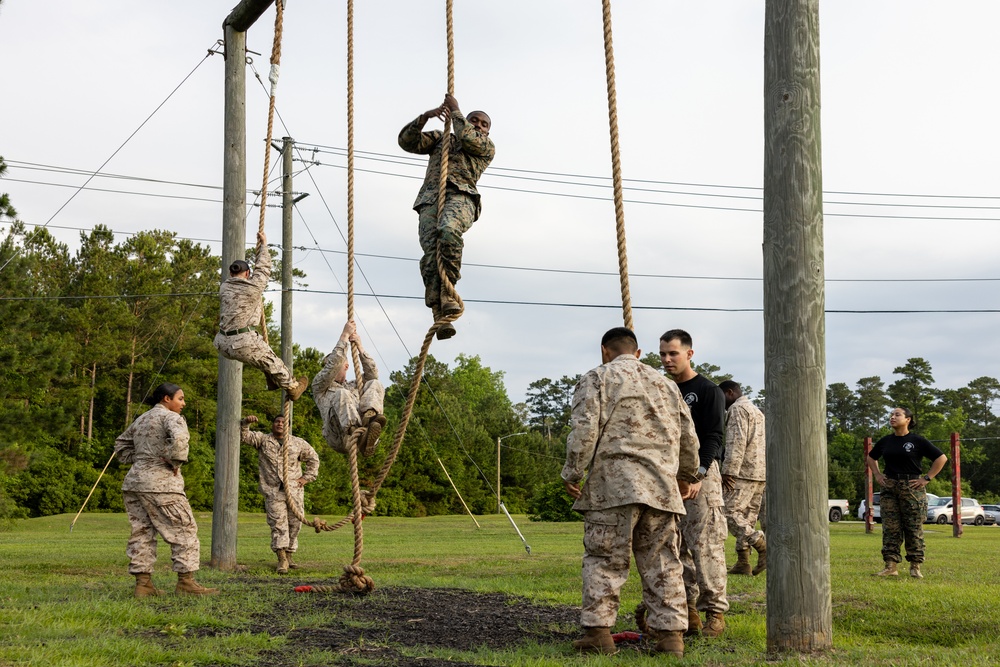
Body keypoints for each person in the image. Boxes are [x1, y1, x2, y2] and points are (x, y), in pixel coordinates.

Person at [562, 327, 700, 658]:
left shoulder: (597, 379)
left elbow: (583, 431)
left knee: (605, 559)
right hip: (661, 489)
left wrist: (572, 472)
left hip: (613, 487)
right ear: (637, 353)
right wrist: (687, 475)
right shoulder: (666, 385)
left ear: (604, 351)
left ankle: (598, 633)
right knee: (664, 562)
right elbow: (688, 434)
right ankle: (670, 639)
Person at [398, 94, 495, 341]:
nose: (479, 125)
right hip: (431, 199)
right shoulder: (442, 138)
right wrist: (425, 117)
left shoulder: (485, 147)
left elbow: (467, 138)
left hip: (461, 196)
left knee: (448, 231)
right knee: (431, 255)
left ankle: (449, 293)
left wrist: (457, 112)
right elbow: (407, 142)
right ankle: (439, 312)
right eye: (475, 120)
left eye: (484, 124)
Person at [114, 383, 218, 597]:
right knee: (184, 529)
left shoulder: (141, 419)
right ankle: (186, 583)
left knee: (141, 531)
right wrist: (174, 461)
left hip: (134, 483)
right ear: (166, 399)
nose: (184, 403)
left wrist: (141, 459)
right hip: (162, 485)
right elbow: (180, 440)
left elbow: (120, 446)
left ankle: (143, 585)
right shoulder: (171, 418)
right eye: (180, 398)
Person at [658, 329, 728, 638]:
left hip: (701, 474)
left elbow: (714, 436)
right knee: (675, 545)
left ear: (689, 353)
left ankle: (715, 612)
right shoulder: (662, 389)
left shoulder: (707, 390)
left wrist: (697, 474)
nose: (667, 359)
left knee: (706, 545)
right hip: (669, 475)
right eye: (662, 354)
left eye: (673, 353)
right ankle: (688, 610)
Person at [213, 230, 309, 400]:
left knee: (260, 350)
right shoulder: (252, 288)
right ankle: (292, 387)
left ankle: (271, 380)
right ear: (247, 274)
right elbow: (263, 269)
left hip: (222, 343)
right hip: (240, 342)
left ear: (230, 274)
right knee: (272, 360)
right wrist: (263, 245)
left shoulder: (224, 288)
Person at [866, 407, 947, 578]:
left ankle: (915, 566)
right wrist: (878, 475)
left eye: (897, 414)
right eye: (891, 415)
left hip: (912, 488)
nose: (892, 417)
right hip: (890, 487)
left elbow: (941, 458)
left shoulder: (917, 440)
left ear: (908, 419)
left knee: (913, 528)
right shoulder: (886, 441)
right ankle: (890, 566)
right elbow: (871, 457)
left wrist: (926, 478)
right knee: (890, 528)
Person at [240, 413, 320, 574]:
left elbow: (313, 458)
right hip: (273, 491)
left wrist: (306, 478)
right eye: (277, 421)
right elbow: (245, 436)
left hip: (294, 491)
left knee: (295, 524)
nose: (280, 424)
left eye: (283, 422)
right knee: (278, 524)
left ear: (289, 425)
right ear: (272, 424)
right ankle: (281, 558)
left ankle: (290, 554)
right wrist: (245, 423)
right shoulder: (263, 440)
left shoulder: (297, 443)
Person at [312, 320, 386, 457]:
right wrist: (344, 335)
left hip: (362, 435)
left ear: (346, 367)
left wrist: (360, 347)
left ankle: (369, 423)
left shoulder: (354, 385)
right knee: (341, 394)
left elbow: (372, 374)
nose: (327, 369)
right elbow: (334, 364)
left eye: (333, 365)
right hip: (339, 436)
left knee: (375, 383)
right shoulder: (320, 387)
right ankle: (357, 432)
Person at [718, 380, 767, 576]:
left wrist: (728, 471)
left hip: (742, 472)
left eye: (721, 398)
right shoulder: (757, 411)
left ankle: (761, 546)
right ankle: (742, 561)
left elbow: (736, 442)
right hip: (759, 472)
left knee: (728, 513)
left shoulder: (738, 409)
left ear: (729, 393)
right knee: (746, 517)